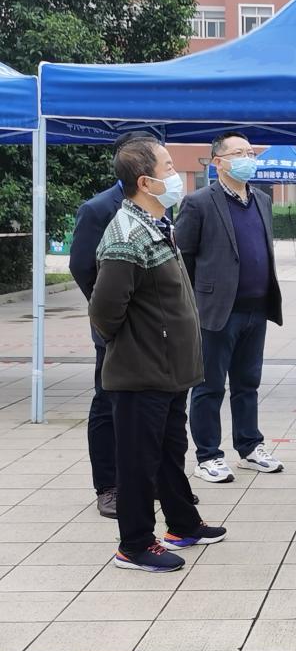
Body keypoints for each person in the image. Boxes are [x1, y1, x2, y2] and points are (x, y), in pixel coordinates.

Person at [89, 140, 226, 572]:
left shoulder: (156, 224)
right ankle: (134, 545)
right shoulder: (126, 234)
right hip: (141, 370)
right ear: (145, 182)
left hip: (168, 369)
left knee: (169, 450)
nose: (176, 174)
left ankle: (182, 524)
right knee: (138, 462)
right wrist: (139, 343)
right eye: (168, 167)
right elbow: (104, 311)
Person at [175, 132, 284, 484]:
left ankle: (250, 447)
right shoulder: (198, 202)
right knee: (209, 386)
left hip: (256, 308)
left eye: (251, 152)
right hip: (216, 310)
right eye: (239, 153)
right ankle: (208, 455)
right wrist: (195, 303)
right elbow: (183, 258)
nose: (248, 158)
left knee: (247, 383)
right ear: (218, 162)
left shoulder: (261, 199)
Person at [69, 131, 155, 518]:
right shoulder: (98, 208)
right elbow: (82, 267)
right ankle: (108, 486)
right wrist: (111, 314)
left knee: (148, 406)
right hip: (115, 328)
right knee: (108, 404)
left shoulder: (159, 206)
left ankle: (147, 481)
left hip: (152, 329)